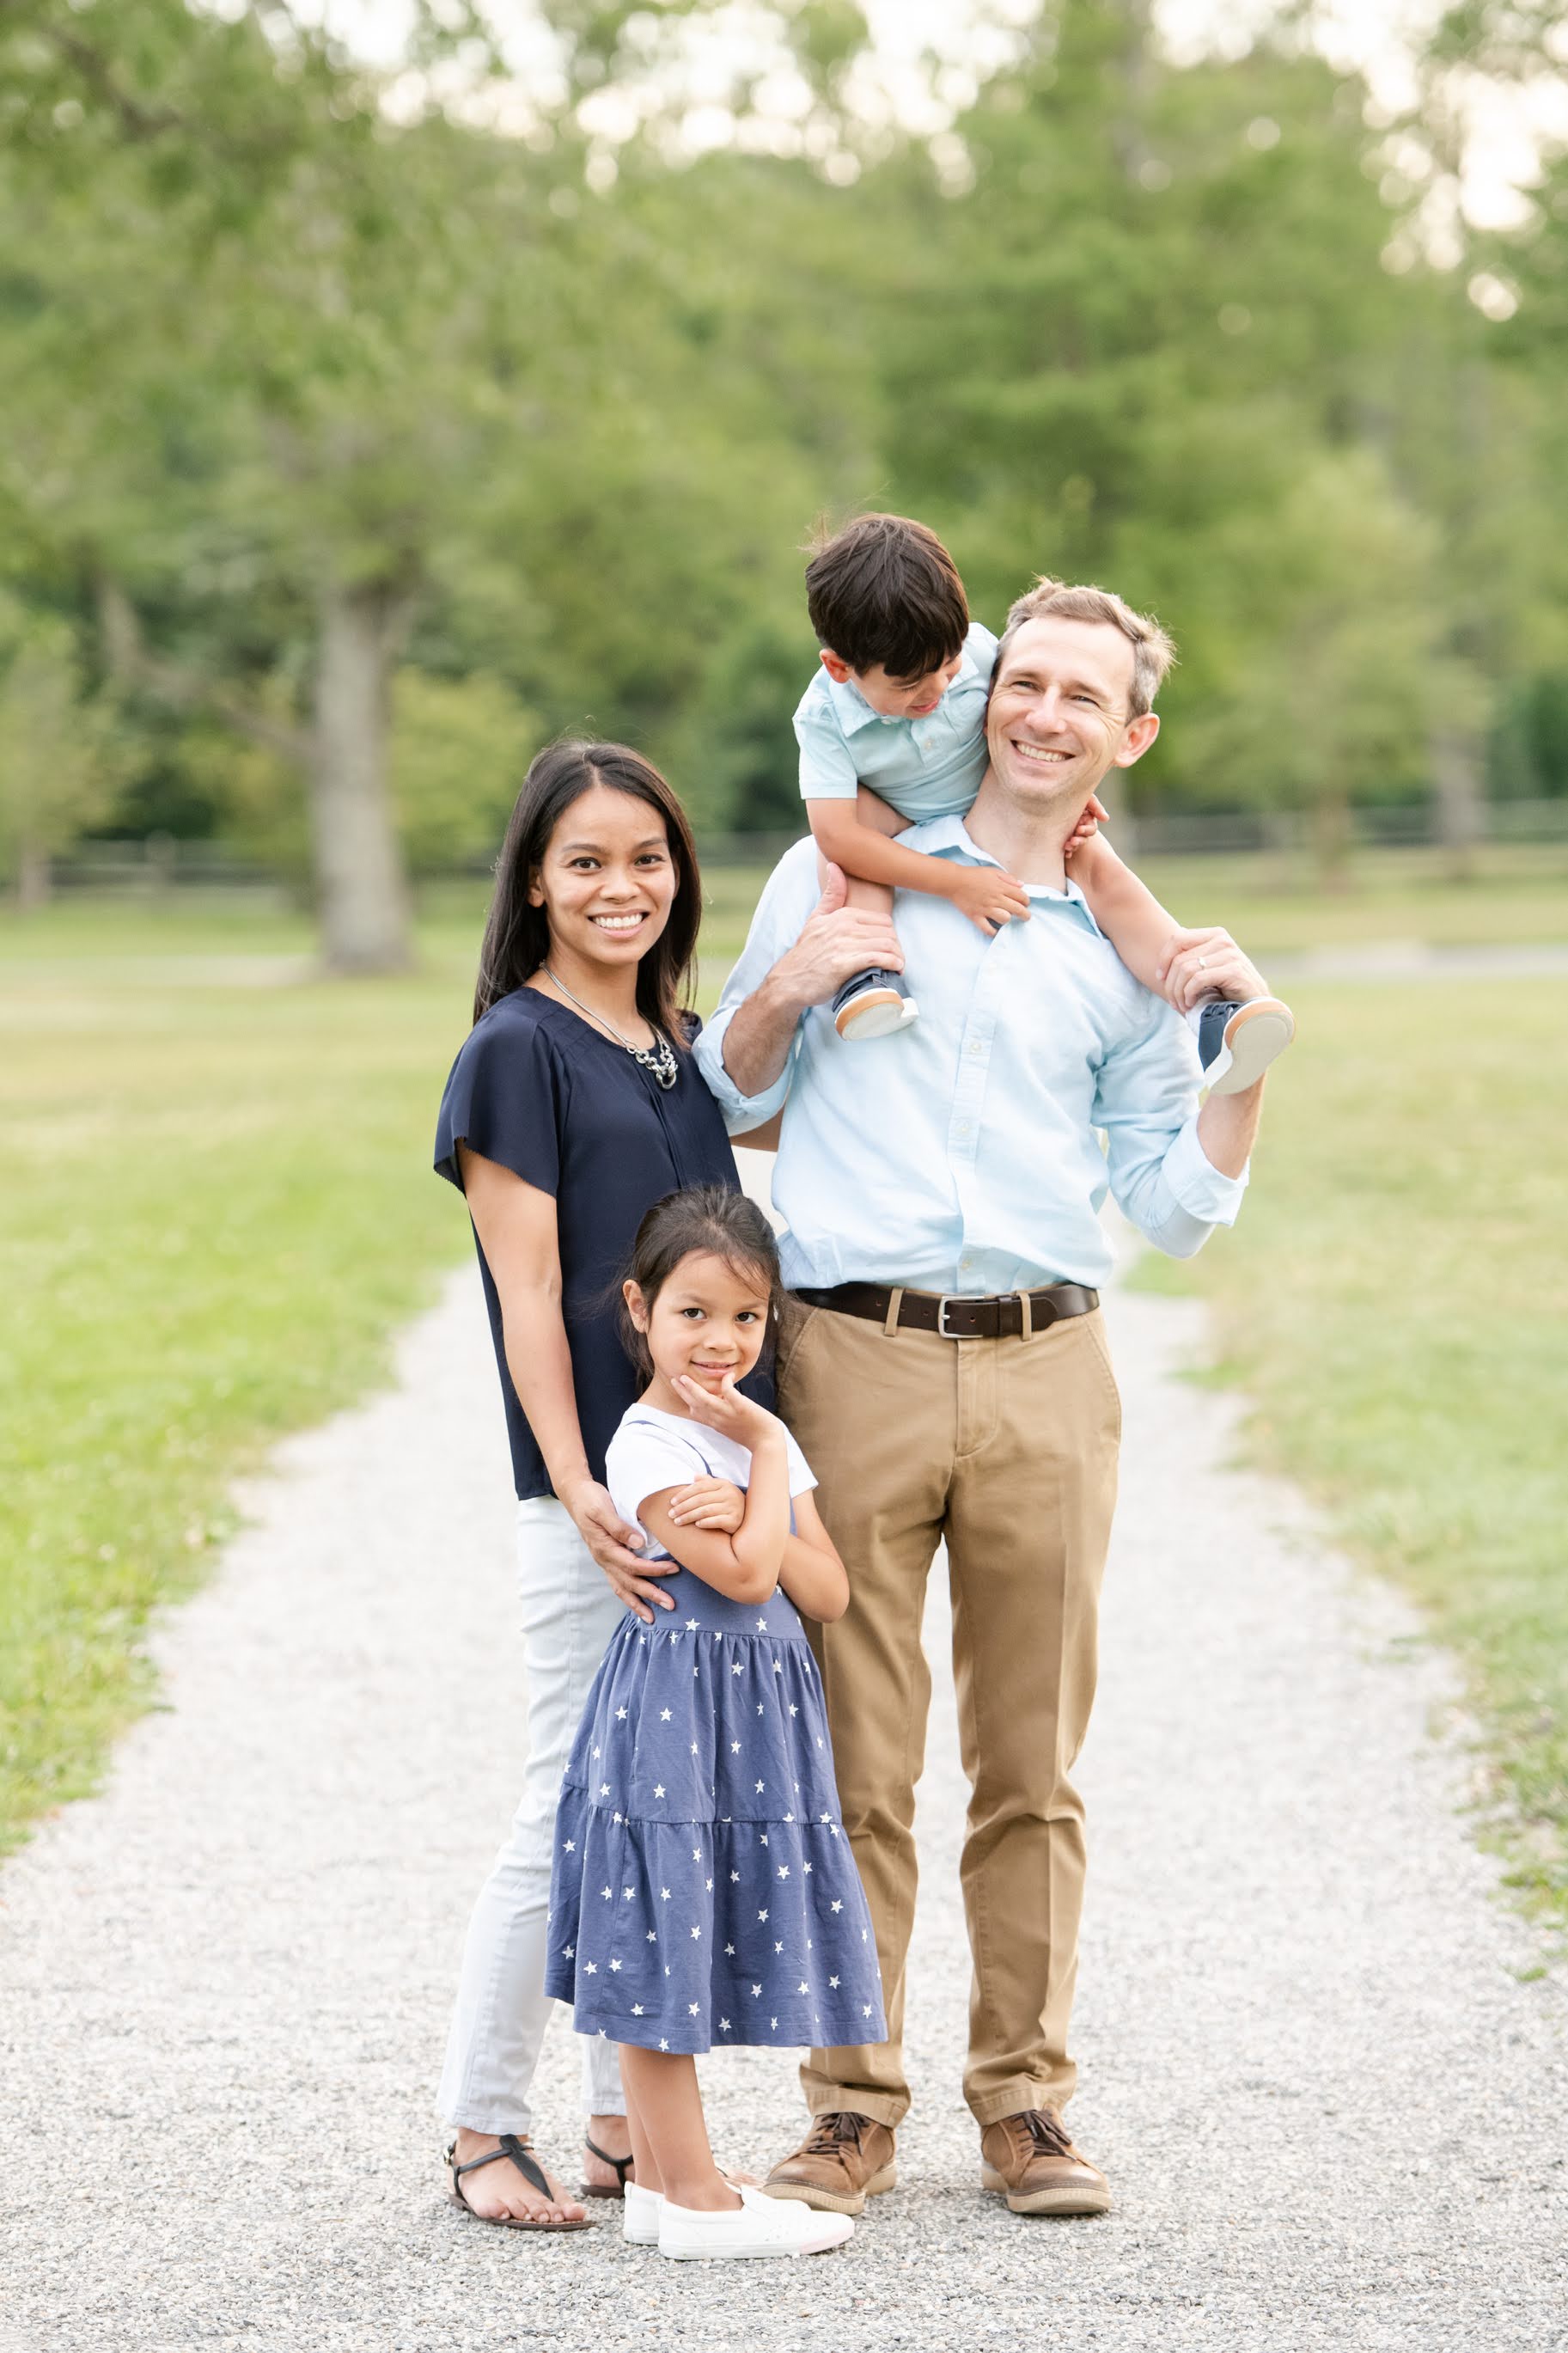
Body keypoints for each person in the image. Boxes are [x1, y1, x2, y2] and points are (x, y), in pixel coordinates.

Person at [694, 578, 1274, 2222]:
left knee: (1033, 1765)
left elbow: (1169, 1204)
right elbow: (728, 1093)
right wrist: (801, 973)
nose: (1044, 713)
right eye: (1027, 681)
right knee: (855, 1763)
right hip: (852, 1351)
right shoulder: (842, 860)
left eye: (1085, 697)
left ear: (1130, 733)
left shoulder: (1125, 948)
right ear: (981, 691)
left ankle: (1025, 2102)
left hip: (1047, 1366)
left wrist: (1243, 1075)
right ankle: (849, 2107)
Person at [433, 741, 769, 2233]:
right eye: (586, 861)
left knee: (659, 1801)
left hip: (697, 1481)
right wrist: (575, 1481)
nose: (620, 885)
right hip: (600, 1494)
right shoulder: (516, 1046)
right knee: (566, 1793)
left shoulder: (676, 1045)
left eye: (646, 856)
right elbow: (524, 1292)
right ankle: (480, 2125)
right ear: (534, 881)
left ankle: (624, 2121)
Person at [544, 1187, 882, 2260]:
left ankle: (664, 2185)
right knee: (662, 1921)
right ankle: (687, 2192)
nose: (722, 1341)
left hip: (752, 1719)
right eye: (693, 1312)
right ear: (640, 1308)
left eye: (746, 1316)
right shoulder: (647, 1441)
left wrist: (758, 1479)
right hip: (677, 1714)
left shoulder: (751, 1438)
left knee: (692, 1920)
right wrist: (765, 1482)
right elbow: (744, 1574)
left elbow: (825, 1589)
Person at [796, 512, 1294, 1094]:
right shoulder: (823, 717)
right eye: (908, 686)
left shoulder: (979, 651)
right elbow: (836, 835)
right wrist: (954, 881)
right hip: (899, 814)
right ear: (838, 667)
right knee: (849, 858)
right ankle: (868, 976)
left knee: (1110, 883)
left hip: (1004, 808)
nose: (936, 692)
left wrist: (1068, 795)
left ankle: (1214, 1009)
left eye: (948, 668)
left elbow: (1041, 728)